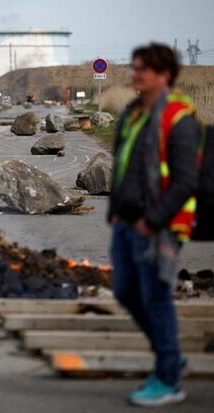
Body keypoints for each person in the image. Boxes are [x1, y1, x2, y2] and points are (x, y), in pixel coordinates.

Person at [108, 43, 201, 407]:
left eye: (142, 69)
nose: (135, 74)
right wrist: (116, 211)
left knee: (156, 298)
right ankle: (170, 355)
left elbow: (185, 181)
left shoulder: (179, 118)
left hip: (158, 226)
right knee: (126, 293)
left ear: (164, 75)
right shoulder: (132, 113)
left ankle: (168, 379)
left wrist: (153, 220)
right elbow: (122, 166)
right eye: (133, 68)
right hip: (126, 222)